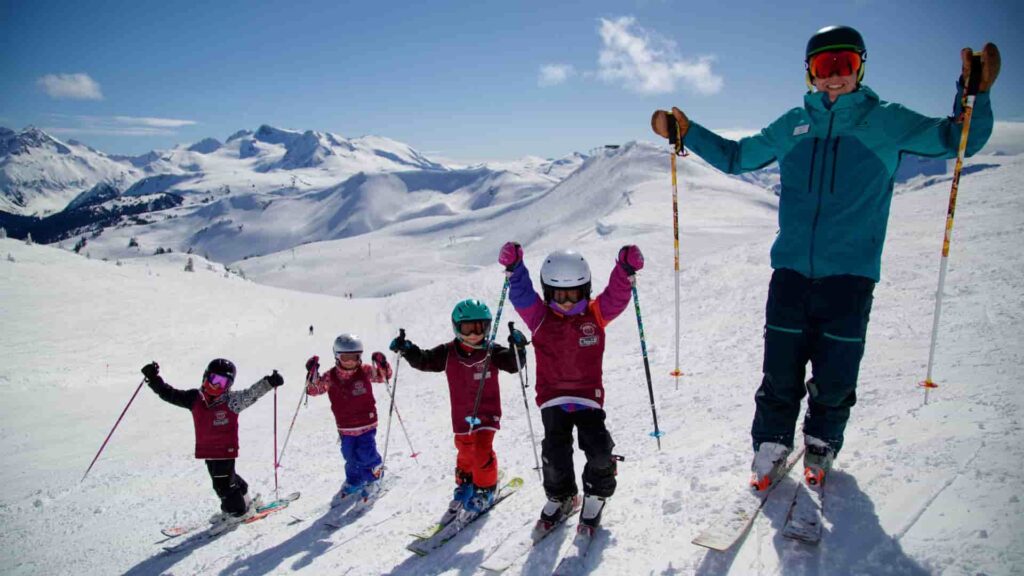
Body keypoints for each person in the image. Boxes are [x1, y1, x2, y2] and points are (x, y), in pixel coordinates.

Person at [651, 25, 1000, 490]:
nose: (834, 78)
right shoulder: (793, 124)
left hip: (850, 277)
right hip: (791, 271)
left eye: (845, 66)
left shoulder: (887, 121)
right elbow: (737, 157)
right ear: (809, 73)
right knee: (780, 369)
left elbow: (959, 140)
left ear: (860, 67)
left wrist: (973, 95)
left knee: (836, 372)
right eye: (823, 67)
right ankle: (772, 443)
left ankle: (821, 442)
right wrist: (688, 133)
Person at [497, 242, 644, 534]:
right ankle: (562, 495)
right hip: (553, 398)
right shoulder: (539, 318)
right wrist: (514, 271)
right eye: (558, 295)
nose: (565, 302)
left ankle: (596, 493)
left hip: (588, 397)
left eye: (573, 294)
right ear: (548, 291)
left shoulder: (595, 314)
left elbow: (615, 297)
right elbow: (523, 295)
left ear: (585, 289)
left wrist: (624, 270)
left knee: (599, 450)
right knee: (554, 454)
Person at [389, 299, 527, 523]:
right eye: (468, 328)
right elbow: (424, 360)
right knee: (465, 450)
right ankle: (467, 482)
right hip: (462, 415)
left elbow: (513, 364)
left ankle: (486, 489)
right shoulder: (448, 352)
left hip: (486, 413)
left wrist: (518, 348)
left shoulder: (492, 351)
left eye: (479, 327)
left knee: (482, 449)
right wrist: (408, 350)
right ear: (456, 327)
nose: (474, 334)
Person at [141, 359, 284, 527]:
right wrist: (154, 378)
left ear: (228, 385)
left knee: (223, 485)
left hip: (225, 450)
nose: (216, 386)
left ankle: (237, 513)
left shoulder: (232, 401)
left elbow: (251, 393)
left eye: (222, 382)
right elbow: (169, 394)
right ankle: (245, 501)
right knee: (229, 478)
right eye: (214, 379)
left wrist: (268, 382)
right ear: (205, 377)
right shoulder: (194, 398)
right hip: (207, 450)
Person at [304, 333, 392, 503]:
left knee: (366, 453)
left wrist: (382, 363)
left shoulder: (365, 371)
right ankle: (355, 480)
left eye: (355, 357)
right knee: (349, 455)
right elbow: (314, 390)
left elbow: (383, 377)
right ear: (337, 356)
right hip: (345, 426)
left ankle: (374, 477)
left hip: (367, 422)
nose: (350, 361)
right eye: (346, 357)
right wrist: (312, 373)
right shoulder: (330, 376)